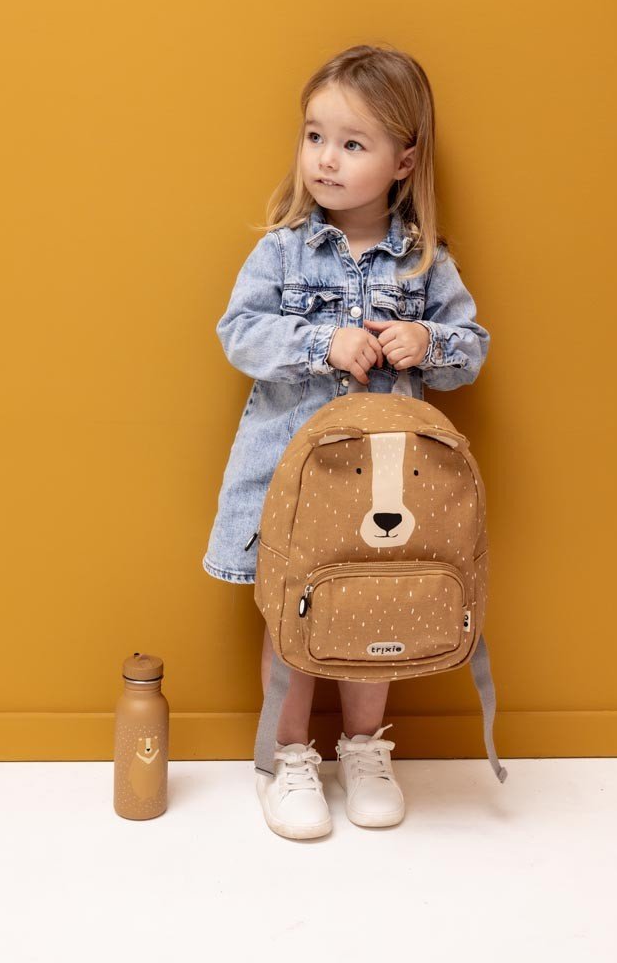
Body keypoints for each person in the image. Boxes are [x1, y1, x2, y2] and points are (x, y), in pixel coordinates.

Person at [202, 43, 491, 840]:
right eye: (314, 136)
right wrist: (320, 343)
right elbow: (239, 333)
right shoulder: (283, 249)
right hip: (294, 483)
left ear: (404, 159)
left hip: (386, 494)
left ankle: (364, 749)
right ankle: (287, 759)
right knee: (293, 625)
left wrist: (423, 342)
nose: (325, 160)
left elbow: (472, 349)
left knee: (375, 611)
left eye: (352, 144)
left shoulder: (426, 264)